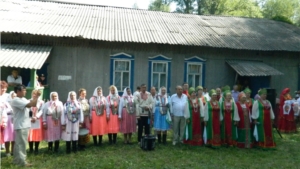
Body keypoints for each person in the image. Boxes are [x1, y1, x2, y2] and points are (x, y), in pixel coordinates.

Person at [11, 84, 41, 167]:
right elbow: (30, 105)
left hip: (24, 124)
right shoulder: (16, 100)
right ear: (18, 91)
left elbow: (34, 104)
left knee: (20, 144)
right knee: (21, 144)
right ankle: (22, 162)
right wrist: (36, 97)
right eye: (23, 90)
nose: (25, 91)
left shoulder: (23, 99)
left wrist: (37, 96)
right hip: (21, 125)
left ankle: (17, 161)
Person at [28, 90, 44, 155]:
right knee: (30, 133)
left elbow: (41, 110)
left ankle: (36, 149)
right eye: (34, 94)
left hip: (38, 119)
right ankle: (31, 149)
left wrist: (36, 117)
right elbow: (27, 110)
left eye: (37, 94)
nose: (35, 95)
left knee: (37, 134)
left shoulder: (41, 102)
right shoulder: (29, 101)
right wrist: (30, 117)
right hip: (30, 119)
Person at [4, 91, 16, 157]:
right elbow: (4, 111)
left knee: (14, 136)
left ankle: (13, 151)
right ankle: (7, 151)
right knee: (7, 136)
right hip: (8, 118)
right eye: (13, 96)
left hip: (15, 119)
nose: (14, 97)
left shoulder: (16, 103)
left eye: (15, 96)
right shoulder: (6, 102)